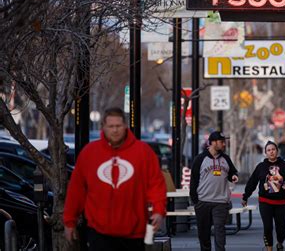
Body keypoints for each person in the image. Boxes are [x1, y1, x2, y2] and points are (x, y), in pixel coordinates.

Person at [63, 107, 167, 251]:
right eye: (111, 126)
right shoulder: (89, 153)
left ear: (125, 126)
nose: (115, 130)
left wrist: (158, 210)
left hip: (133, 233)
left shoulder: (143, 152)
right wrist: (69, 221)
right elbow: (77, 189)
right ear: (103, 127)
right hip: (98, 231)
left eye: (118, 126)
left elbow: (156, 184)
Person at [242, 141, 285, 251]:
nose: (271, 152)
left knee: (281, 229)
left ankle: (280, 242)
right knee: (267, 227)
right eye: (268, 150)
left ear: (277, 151)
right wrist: (245, 196)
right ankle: (269, 248)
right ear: (265, 153)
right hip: (265, 201)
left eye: (273, 149)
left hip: (281, 202)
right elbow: (252, 182)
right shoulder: (261, 167)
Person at [190, 131, 239, 251]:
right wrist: (196, 201)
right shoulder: (200, 159)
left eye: (224, 142)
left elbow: (232, 172)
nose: (224, 144)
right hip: (203, 201)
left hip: (221, 202)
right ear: (212, 143)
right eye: (221, 142)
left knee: (219, 230)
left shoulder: (225, 158)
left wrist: (233, 176)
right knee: (204, 233)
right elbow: (193, 181)